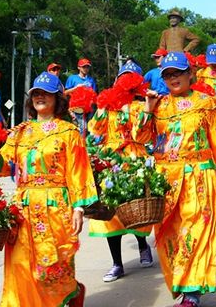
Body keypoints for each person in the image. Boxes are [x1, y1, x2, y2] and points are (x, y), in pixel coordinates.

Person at [135, 52, 216, 307]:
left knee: (195, 229)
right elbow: (140, 138)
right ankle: (181, 284)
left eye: (178, 73)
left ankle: (192, 293)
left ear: (190, 74)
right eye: (168, 74)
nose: (173, 78)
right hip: (166, 179)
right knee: (168, 234)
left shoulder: (207, 103)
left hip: (199, 175)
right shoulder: (158, 104)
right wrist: (147, 110)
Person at [0, 71, 97, 307]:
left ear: (58, 99)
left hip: (55, 206)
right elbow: (4, 167)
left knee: (52, 267)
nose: (40, 97)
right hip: (23, 209)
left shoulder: (69, 132)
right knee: (21, 266)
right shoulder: (20, 132)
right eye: (36, 93)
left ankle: (71, 294)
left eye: (47, 93)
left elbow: (79, 171)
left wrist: (79, 208)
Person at [87, 60, 154, 283]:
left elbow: (142, 136)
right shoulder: (108, 106)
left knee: (136, 210)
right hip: (110, 162)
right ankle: (117, 263)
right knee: (110, 214)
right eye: (122, 78)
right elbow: (95, 130)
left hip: (134, 160)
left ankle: (143, 244)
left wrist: (144, 109)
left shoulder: (138, 106)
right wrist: (103, 108)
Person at [65, 58, 98, 136]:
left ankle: (86, 146)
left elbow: (94, 95)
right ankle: (79, 145)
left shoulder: (91, 80)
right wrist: (76, 88)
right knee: (83, 127)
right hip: (76, 108)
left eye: (87, 67)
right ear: (78, 67)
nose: (86, 69)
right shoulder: (72, 78)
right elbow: (65, 93)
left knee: (90, 128)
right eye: (84, 67)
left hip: (89, 109)